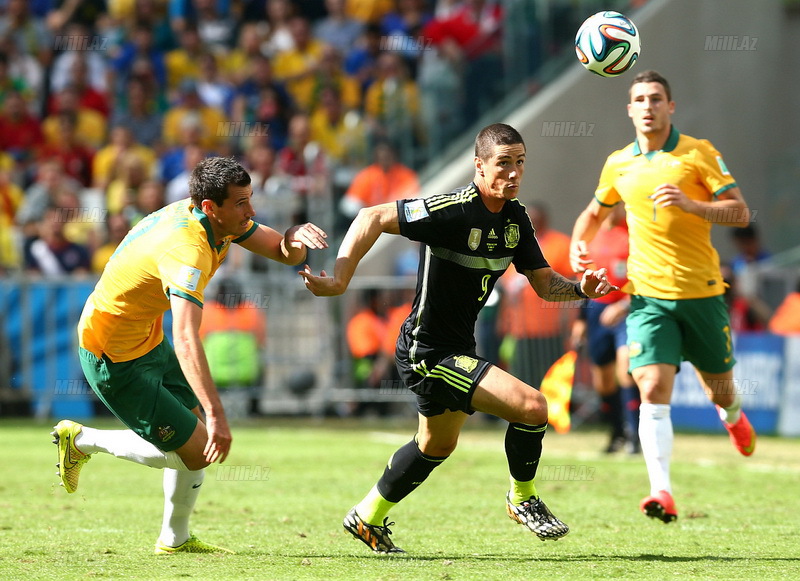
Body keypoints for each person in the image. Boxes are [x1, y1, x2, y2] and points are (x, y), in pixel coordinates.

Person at [300, 123, 617, 553]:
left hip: (456, 349)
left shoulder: (515, 219)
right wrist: (340, 278)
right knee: (532, 406)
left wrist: (581, 289)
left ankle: (366, 517)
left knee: (436, 444)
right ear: (479, 165)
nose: (513, 173)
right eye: (503, 163)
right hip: (426, 351)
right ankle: (522, 499)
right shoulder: (450, 210)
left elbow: (543, 284)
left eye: (520, 163)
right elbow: (369, 216)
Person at [51, 156, 328, 554]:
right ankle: (83, 440)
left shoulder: (215, 218)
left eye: (250, 200)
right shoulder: (187, 248)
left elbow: (285, 253)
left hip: (144, 338)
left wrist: (295, 234)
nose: (251, 211)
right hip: (110, 353)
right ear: (210, 207)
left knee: (194, 441)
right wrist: (218, 412)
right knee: (200, 448)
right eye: (242, 204)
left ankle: (174, 538)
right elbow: (185, 336)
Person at [570, 70, 757, 525]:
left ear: (670, 107)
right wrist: (580, 243)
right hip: (648, 297)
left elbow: (740, 211)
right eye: (640, 99)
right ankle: (662, 491)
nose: (648, 106)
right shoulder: (619, 162)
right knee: (651, 386)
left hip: (702, 294)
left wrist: (694, 206)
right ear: (630, 110)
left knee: (722, 390)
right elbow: (595, 212)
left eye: (657, 98)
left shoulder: (699, 153)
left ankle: (731, 414)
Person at [568, 204, 639, 454]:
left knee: (626, 370)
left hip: (627, 310)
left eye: (616, 202)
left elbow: (645, 277)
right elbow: (584, 283)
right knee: (603, 383)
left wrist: (624, 304)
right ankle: (617, 433)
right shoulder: (591, 239)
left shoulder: (634, 234)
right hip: (597, 312)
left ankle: (635, 436)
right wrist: (580, 321)